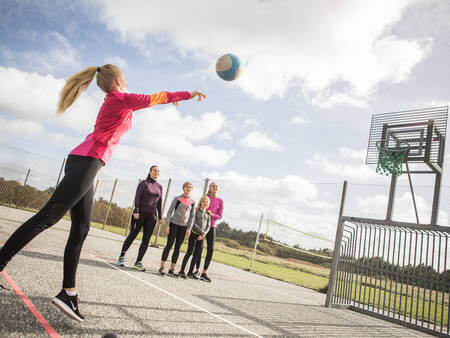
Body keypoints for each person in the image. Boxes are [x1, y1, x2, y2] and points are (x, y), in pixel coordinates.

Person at [0, 64, 206, 322]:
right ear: (119, 80)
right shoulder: (121, 98)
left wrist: (172, 99)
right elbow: (158, 97)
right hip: (86, 163)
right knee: (47, 218)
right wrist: (187, 94)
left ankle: (68, 292)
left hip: (86, 162)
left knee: (82, 228)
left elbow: (156, 100)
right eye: (125, 77)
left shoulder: (115, 99)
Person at [117, 165, 162, 271]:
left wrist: (160, 216)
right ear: (150, 172)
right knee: (133, 235)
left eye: (158, 171)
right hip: (140, 213)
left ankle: (138, 262)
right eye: (154, 170)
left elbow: (160, 201)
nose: (156, 172)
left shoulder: (160, 186)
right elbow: (137, 196)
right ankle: (121, 256)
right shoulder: (143, 183)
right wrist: (136, 210)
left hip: (152, 216)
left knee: (146, 239)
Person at [159, 182, 195, 277]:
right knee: (169, 245)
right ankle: (162, 267)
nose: (188, 188)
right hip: (173, 224)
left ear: (192, 189)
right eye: (187, 187)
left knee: (177, 248)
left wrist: (188, 228)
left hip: (183, 227)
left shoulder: (193, 202)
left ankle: (172, 269)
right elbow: (170, 212)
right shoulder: (177, 198)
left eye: (190, 187)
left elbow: (192, 216)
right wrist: (168, 224)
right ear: (183, 188)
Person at [194, 182, 223, 282]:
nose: (215, 187)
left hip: (212, 227)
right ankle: (196, 270)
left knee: (211, 249)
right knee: (199, 248)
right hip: (201, 227)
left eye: (216, 186)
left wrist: (212, 214)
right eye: (213, 186)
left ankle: (204, 272)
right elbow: (198, 207)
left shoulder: (220, 200)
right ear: (210, 188)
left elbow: (220, 216)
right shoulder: (205, 198)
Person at [178, 196, 211, 279]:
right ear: (201, 202)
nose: (204, 203)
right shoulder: (196, 211)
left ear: (208, 204)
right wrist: (202, 232)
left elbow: (208, 226)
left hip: (202, 236)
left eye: (206, 202)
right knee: (189, 252)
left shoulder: (208, 214)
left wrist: (203, 234)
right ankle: (182, 271)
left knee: (196, 255)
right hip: (194, 234)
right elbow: (193, 223)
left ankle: (190, 272)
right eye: (203, 201)